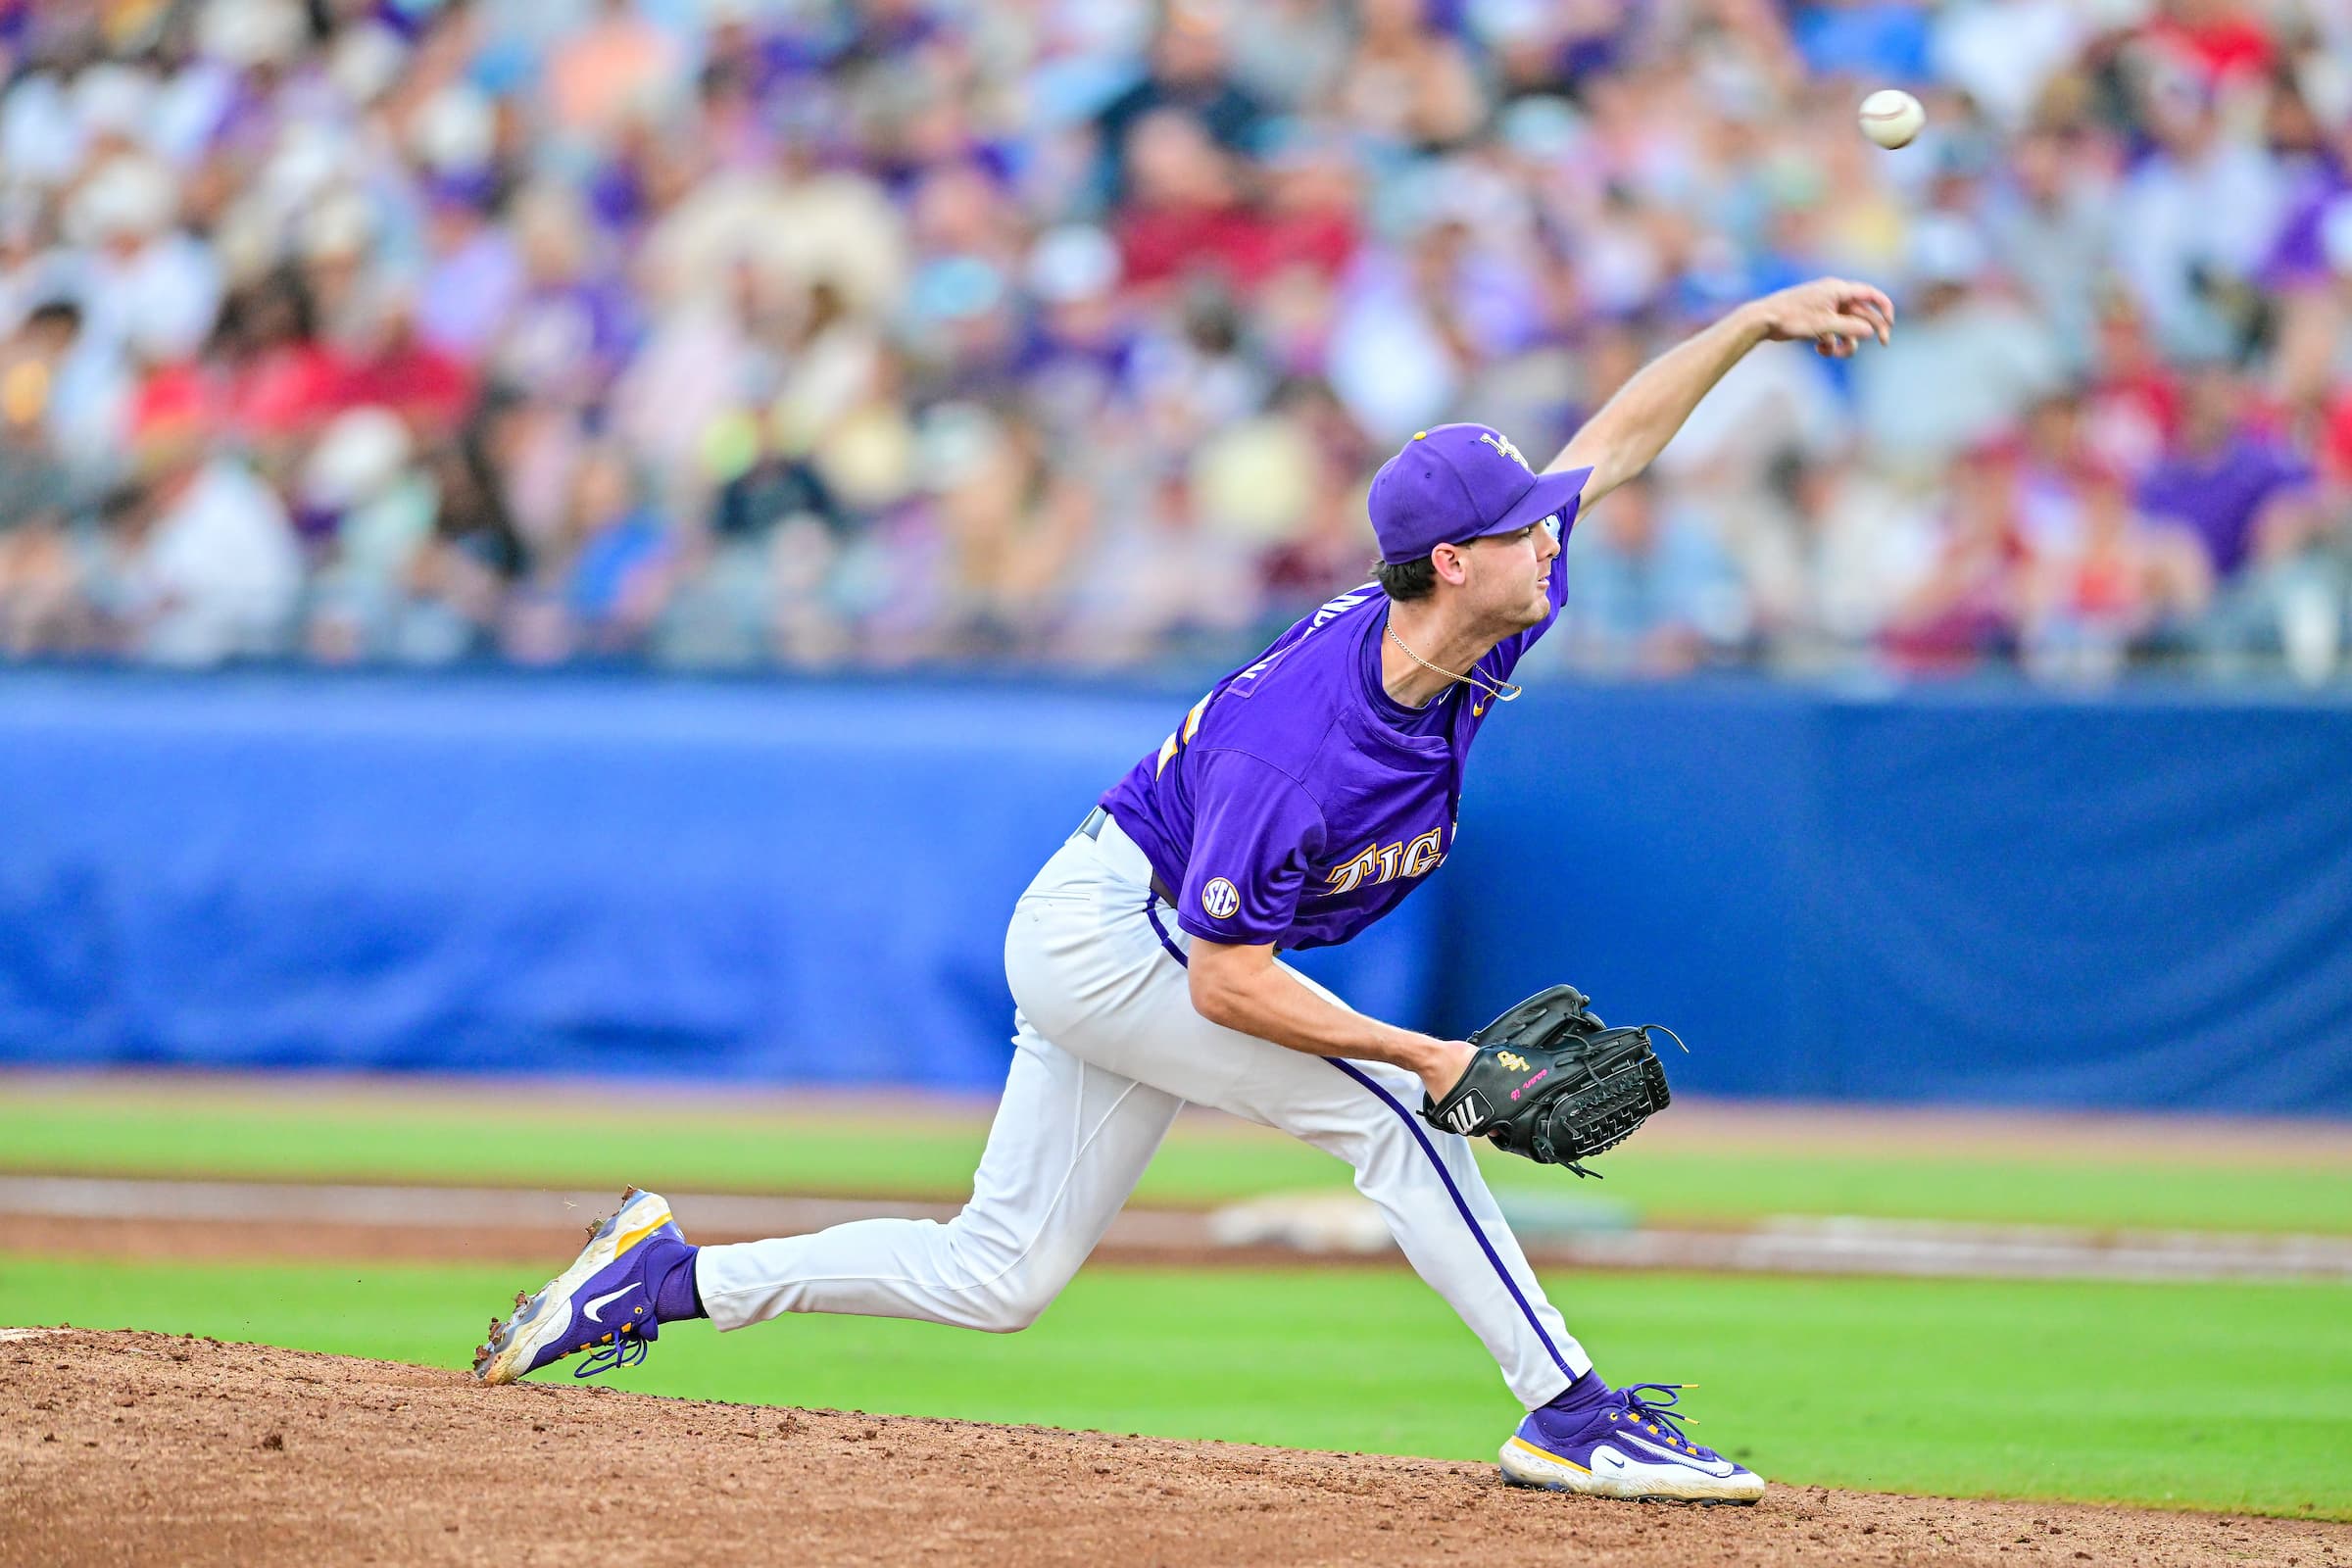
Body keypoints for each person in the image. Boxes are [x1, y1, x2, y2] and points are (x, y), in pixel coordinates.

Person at [469, 276, 1896, 1504]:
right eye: (1523, 528)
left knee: (1000, 1275)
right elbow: (1224, 983)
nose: (1553, 537)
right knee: (1396, 1115)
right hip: (1118, 939)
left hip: (1120, 926)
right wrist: (1429, 1054)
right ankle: (1573, 1414)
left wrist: (1754, 324)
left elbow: (1613, 445)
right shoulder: (1301, 746)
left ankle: (666, 1280)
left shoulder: (1479, 613)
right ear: (1454, 562)